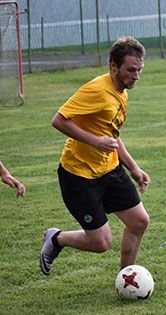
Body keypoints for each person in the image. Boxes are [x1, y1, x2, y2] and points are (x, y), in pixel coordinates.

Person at [40, 36, 150, 275]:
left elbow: (111, 135)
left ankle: (127, 277)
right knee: (101, 243)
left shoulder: (121, 91)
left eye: (140, 70)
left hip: (109, 169)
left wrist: (133, 168)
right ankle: (56, 238)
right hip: (79, 175)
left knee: (139, 221)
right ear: (113, 66)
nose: (137, 76)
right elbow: (58, 120)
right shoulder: (96, 90)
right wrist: (94, 141)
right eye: (131, 70)